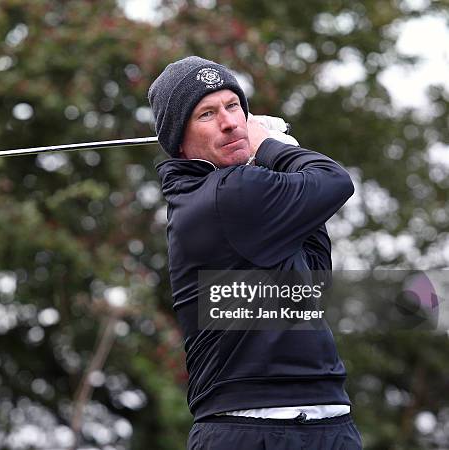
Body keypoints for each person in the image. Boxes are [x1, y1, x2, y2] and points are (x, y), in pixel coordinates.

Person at [148, 56, 362, 449]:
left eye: (233, 106)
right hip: (249, 430)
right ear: (179, 141)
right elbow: (334, 181)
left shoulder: (244, 197)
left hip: (329, 422)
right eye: (206, 114)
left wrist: (280, 163)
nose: (230, 122)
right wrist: (272, 147)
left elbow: (313, 278)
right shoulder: (221, 197)